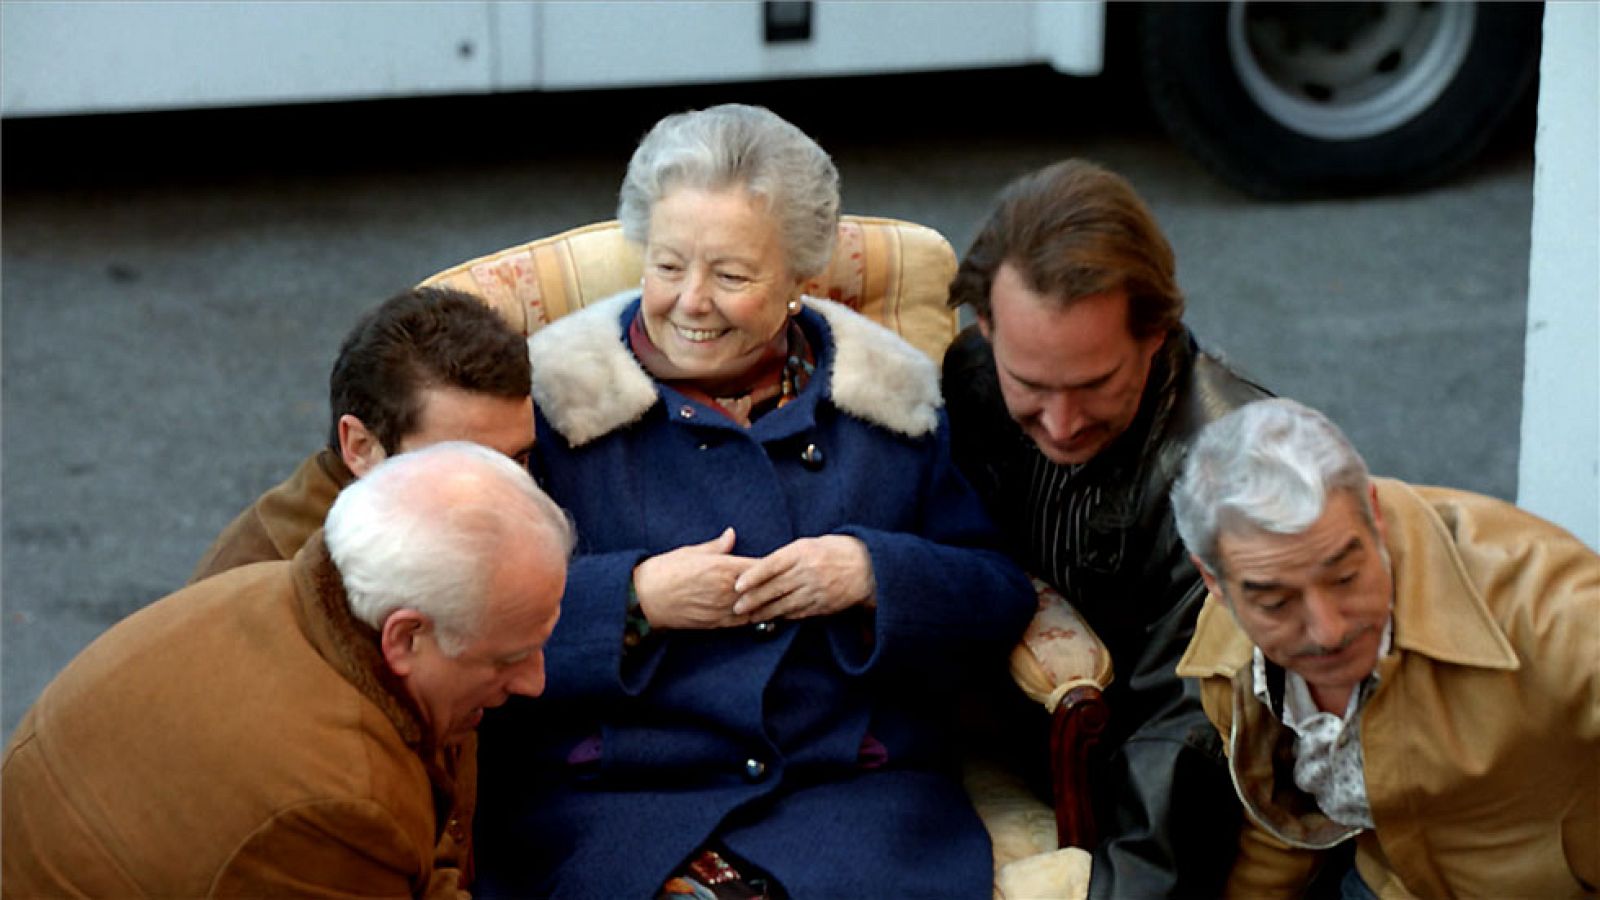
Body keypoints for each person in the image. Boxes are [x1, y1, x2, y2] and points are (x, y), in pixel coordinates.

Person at [473, 103, 1036, 898]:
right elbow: (465, 616)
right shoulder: (553, 410)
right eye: (668, 266)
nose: (692, 302)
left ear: (802, 278)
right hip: (619, 803)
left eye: (732, 276)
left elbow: (997, 594)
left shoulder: (888, 404)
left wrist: (872, 573)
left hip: (849, 799)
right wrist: (633, 600)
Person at [2, 442, 573, 897]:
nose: (535, 681)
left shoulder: (283, 591)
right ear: (406, 635)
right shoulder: (342, 803)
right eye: (510, 657)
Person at [940, 158, 1268, 897]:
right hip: (1008, 736)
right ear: (985, 324)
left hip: (1163, 802)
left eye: (1094, 385)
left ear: (1158, 334)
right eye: (1028, 383)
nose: (1059, 424)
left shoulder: (1230, 474)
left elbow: (1188, 744)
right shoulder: (969, 372)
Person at [1170, 398, 1600, 897]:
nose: (1327, 631)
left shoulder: (1548, 607)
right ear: (1214, 581)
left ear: (1373, 514)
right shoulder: (1230, 662)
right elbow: (1283, 823)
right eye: (1276, 601)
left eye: (1345, 577)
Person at [189, 285, 535, 582]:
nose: (512, 501)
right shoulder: (303, 592)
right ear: (362, 447)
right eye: (469, 470)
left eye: (518, 459)